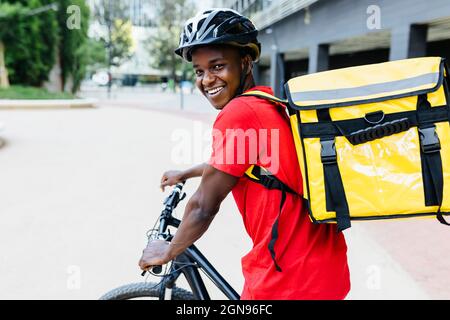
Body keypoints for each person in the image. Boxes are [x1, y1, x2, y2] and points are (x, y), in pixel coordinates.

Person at [139, 8, 350, 300]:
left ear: (245, 62)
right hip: (322, 266)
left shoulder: (239, 112)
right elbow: (244, 162)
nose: (207, 79)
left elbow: (203, 206)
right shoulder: (266, 103)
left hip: (287, 279)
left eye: (217, 66)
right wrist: (186, 172)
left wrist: (170, 248)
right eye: (199, 71)